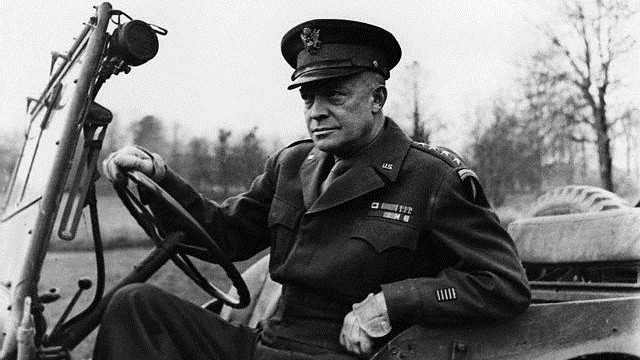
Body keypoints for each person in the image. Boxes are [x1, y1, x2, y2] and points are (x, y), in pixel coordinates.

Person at [95, 19, 531, 360]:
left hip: (344, 352)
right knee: (135, 305)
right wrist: (157, 179)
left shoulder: (431, 177)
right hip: (267, 343)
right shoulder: (291, 165)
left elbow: (501, 283)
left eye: (335, 96)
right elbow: (223, 235)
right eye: (308, 98)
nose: (317, 113)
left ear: (377, 98)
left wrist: (391, 303)